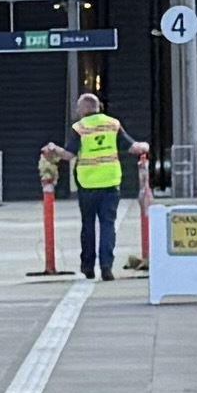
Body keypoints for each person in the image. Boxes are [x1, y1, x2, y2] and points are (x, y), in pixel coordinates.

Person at [66, 81, 132, 281]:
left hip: (87, 186)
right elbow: (131, 146)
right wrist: (143, 147)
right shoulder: (113, 124)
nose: (77, 111)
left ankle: (88, 267)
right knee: (107, 225)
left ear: (85, 109)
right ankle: (106, 265)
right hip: (110, 183)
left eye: (79, 107)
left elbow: (69, 154)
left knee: (88, 226)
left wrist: (52, 151)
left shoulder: (80, 127)